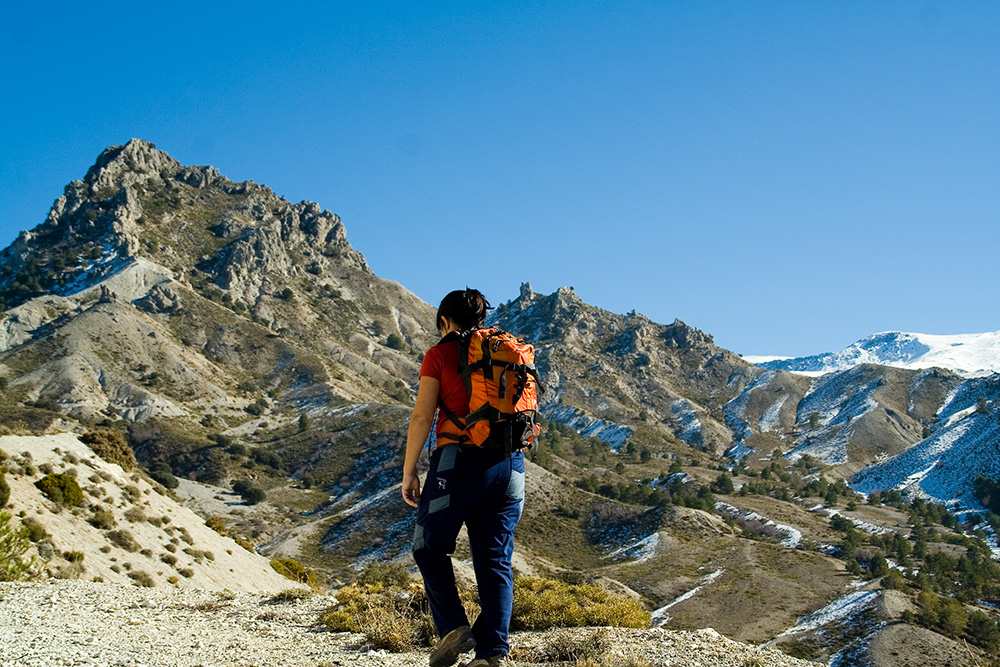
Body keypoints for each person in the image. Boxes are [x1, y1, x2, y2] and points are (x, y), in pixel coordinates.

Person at [402, 288, 526, 667]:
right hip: (512, 467)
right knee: (495, 562)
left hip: (459, 463)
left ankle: (454, 628)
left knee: (428, 547)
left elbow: (423, 417)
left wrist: (410, 471)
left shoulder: (440, 354)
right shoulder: (505, 353)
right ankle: (491, 655)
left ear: (444, 321)